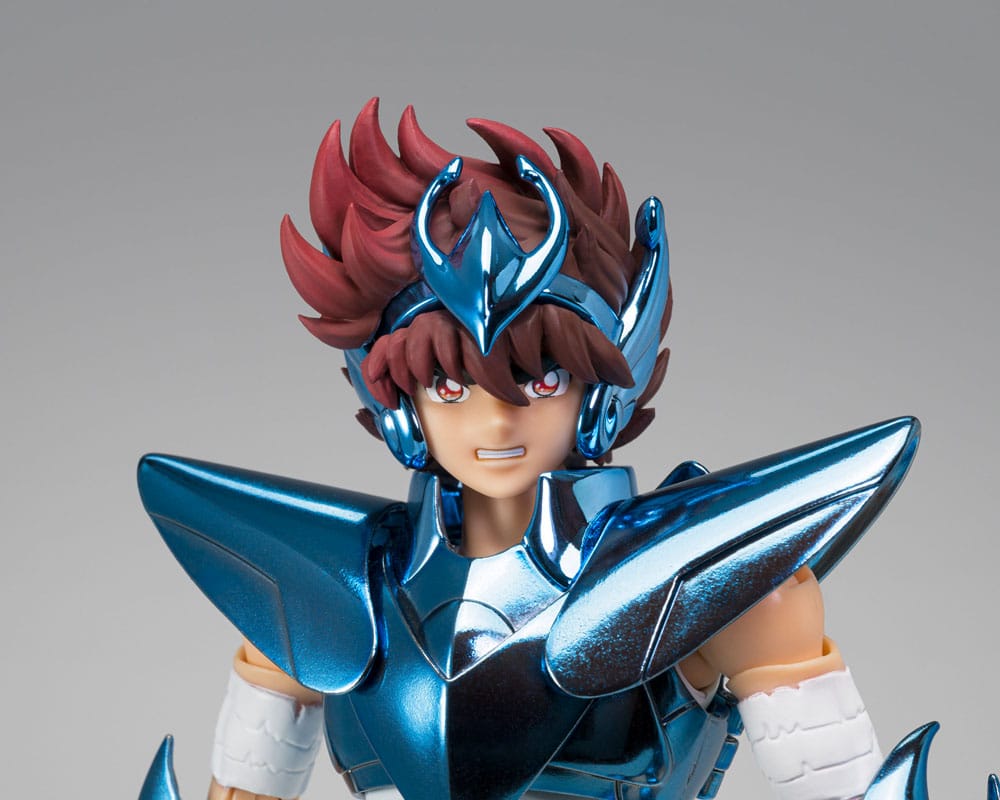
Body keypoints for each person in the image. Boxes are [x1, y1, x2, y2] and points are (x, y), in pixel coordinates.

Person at [137, 99, 920, 800]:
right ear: (399, 404)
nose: (495, 424)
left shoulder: (719, 584)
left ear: (600, 391)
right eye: (449, 385)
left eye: (541, 380)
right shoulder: (319, 588)